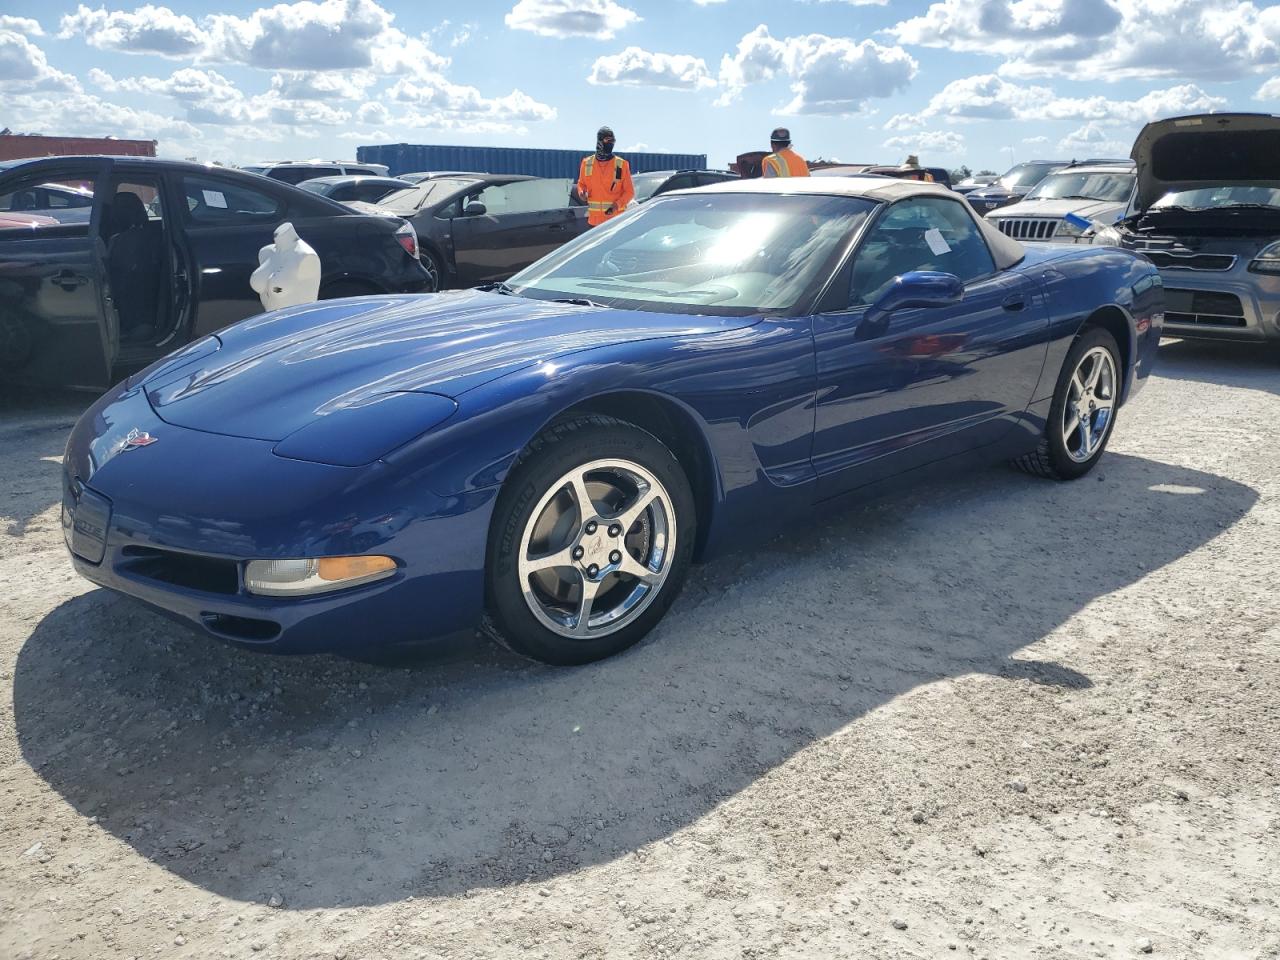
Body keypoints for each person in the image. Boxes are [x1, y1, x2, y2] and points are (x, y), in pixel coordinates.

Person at [576, 126, 634, 227]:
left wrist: (617, 205)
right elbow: (581, 183)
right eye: (608, 140)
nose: (610, 144)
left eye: (613, 141)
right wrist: (581, 193)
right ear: (599, 141)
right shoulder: (587, 163)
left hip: (615, 221)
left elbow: (629, 192)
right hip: (594, 223)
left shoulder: (620, 165)